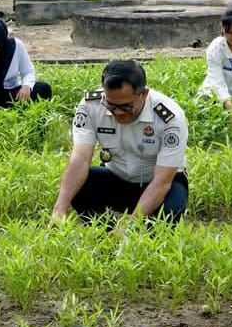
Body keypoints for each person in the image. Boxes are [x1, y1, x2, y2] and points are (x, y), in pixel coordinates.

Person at [52, 60, 189, 224]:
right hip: (116, 176)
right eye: (111, 105)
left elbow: (162, 181)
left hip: (157, 183)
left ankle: (137, 227)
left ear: (144, 94)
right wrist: (59, 208)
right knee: (79, 187)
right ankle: (104, 231)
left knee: (170, 213)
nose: (118, 113)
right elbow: (80, 159)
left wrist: (129, 225)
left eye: (126, 107)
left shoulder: (169, 118)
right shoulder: (91, 105)